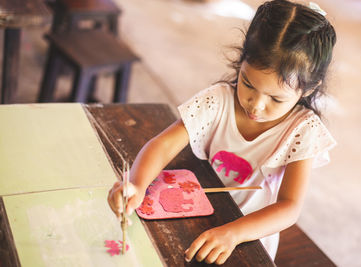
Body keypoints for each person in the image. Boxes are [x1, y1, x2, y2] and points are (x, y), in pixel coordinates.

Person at [108, 0, 337, 264]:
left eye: (275, 99)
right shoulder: (218, 101)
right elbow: (164, 144)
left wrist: (233, 233)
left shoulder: (302, 131)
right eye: (248, 83)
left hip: (247, 236)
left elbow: (289, 207)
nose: (256, 105)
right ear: (241, 62)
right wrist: (136, 184)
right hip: (196, 213)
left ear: (307, 90)